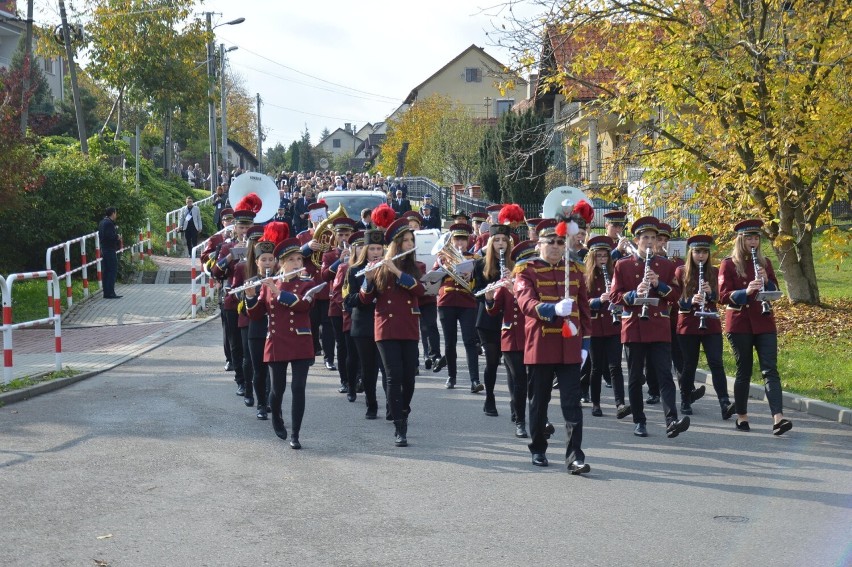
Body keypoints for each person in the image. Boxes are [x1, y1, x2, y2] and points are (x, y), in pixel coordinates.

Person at [514, 218, 592, 473]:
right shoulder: (526, 270)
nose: (557, 246)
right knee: (539, 403)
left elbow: (584, 309)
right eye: (551, 242)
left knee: (572, 403)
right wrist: (552, 309)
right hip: (541, 345)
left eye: (561, 242)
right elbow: (526, 303)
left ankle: (574, 456)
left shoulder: (576, 269)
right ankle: (538, 448)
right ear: (539, 244)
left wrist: (586, 345)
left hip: (570, 346)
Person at [610, 216, 691, 439]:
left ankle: (671, 420)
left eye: (653, 238)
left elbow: (675, 296)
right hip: (634, 326)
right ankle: (639, 420)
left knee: (665, 374)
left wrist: (658, 284)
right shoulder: (622, 265)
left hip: (658, 325)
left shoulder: (665, 265)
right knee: (636, 377)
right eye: (644, 238)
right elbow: (616, 296)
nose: (649, 242)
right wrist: (636, 292)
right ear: (636, 240)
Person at [718, 219, 792, 435]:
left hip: (764, 320)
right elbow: (722, 297)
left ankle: (778, 418)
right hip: (740, 322)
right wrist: (747, 291)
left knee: (770, 369)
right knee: (744, 371)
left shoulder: (765, 262)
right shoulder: (728, 264)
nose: (753, 242)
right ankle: (742, 416)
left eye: (756, 238)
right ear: (741, 240)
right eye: (749, 238)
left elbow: (775, 291)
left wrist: (766, 281)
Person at [245, 237, 316, 450]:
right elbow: (257, 315)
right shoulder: (269, 285)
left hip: (301, 340)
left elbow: (303, 306)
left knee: (298, 387)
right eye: (291, 260)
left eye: (299, 259)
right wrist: (250, 297)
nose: (297, 263)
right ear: (281, 263)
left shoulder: (308, 283)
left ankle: (295, 433)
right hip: (276, 341)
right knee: (277, 389)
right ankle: (275, 415)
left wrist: (278, 292)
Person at [360, 218, 425, 447]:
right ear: (396, 244)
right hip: (385, 328)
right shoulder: (379, 266)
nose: (409, 244)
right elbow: (365, 299)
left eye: (411, 240)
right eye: (405, 241)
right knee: (392, 376)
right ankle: (399, 425)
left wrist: (396, 270)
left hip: (408, 326)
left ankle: (403, 408)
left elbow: (419, 289)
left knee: (409, 378)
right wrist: (367, 281)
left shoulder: (417, 267)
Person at [674, 234, 731, 418]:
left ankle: (724, 402)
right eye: (697, 252)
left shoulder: (714, 272)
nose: (701, 256)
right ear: (691, 252)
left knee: (716, 362)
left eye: (704, 252)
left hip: (710, 322)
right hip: (689, 324)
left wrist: (711, 293)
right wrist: (691, 300)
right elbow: (676, 300)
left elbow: (722, 297)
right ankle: (685, 398)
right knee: (689, 364)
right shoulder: (681, 272)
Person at [485, 240, 537, 437]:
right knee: (519, 380)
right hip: (511, 337)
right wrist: (490, 296)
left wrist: (516, 289)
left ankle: (536, 417)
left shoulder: (539, 282)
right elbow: (494, 311)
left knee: (534, 381)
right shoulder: (506, 282)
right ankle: (521, 421)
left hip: (532, 336)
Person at [243, 222, 289, 420]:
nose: (268, 263)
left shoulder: (282, 280)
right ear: (258, 261)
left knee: (275, 372)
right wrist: (250, 296)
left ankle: (273, 403)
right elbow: (247, 310)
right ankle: (261, 404)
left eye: (271, 259)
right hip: (257, 331)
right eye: (264, 260)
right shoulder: (251, 281)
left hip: (278, 332)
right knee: (259, 371)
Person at [584, 236, 631, 419]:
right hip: (595, 327)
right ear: (593, 258)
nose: (603, 260)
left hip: (613, 326)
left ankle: (620, 403)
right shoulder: (585, 277)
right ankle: (596, 402)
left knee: (615, 366)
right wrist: (598, 300)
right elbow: (581, 303)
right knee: (596, 367)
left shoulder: (614, 275)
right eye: (599, 257)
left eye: (605, 256)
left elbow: (622, 297)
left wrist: (616, 300)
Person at [434, 223, 482, 393]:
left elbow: (482, 280)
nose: (460, 244)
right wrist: (443, 269)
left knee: (470, 341)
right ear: (452, 241)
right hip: (446, 301)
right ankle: (452, 376)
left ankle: (474, 380)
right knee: (449, 342)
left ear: (468, 241)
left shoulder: (475, 259)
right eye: (457, 240)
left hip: (467, 302)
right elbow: (433, 277)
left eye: (463, 240)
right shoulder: (443, 257)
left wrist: (472, 274)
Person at [472, 223, 514, 417]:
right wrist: (489, 294)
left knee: (511, 363)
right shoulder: (480, 264)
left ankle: (516, 404)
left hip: (508, 318)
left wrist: (511, 280)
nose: (500, 244)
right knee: (491, 361)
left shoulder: (515, 264)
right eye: (496, 240)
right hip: (487, 319)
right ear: (490, 243)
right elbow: (474, 292)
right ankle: (490, 397)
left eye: (503, 241)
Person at [346, 229, 386, 420]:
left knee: (388, 369)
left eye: (379, 248)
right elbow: (349, 300)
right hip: (363, 325)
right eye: (372, 249)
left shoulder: (389, 267)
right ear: (365, 250)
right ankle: (371, 404)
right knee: (369, 369)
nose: (376, 252)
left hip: (386, 324)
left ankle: (391, 406)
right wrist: (367, 284)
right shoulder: (354, 270)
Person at [98, 207, 122, 299]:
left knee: (107, 271)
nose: (116, 215)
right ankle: (110, 292)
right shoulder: (108, 223)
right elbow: (109, 236)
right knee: (112, 270)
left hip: (104, 249)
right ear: (113, 213)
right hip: (109, 249)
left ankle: (106, 292)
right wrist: (117, 237)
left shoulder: (102, 222)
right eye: (116, 213)